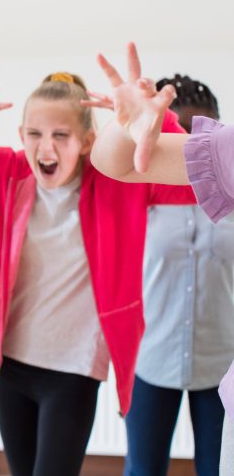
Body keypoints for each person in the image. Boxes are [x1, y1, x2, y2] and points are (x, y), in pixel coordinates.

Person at [0, 70, 196, 475]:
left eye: (61, 135)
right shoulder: (4, 170)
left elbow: (194, 182)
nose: (46, 148)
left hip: (74, 369)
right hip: (9, 363)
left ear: (87, 141)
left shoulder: (121, 178)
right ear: (21, 133)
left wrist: (157, 122)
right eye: (34, 134)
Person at [89, 42, 234, 475]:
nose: (190, 147)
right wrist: (128, 124)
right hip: (152, 359)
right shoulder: (143, 196)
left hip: (220, 359)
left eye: (199, 133)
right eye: (180, 131)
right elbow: (112, 163)